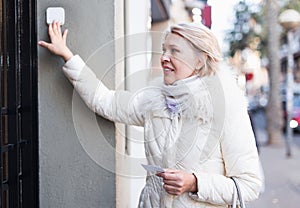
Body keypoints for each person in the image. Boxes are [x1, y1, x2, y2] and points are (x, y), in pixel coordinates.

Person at [39, 21, 263, 208]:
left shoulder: (225, 108)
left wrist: (195, 183)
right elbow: (104, 101)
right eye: (164, 50)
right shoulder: (153, 100)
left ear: (200, 60)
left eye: (174, 51)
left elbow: (249, 185)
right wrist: (68, 56)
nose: (164, 57)